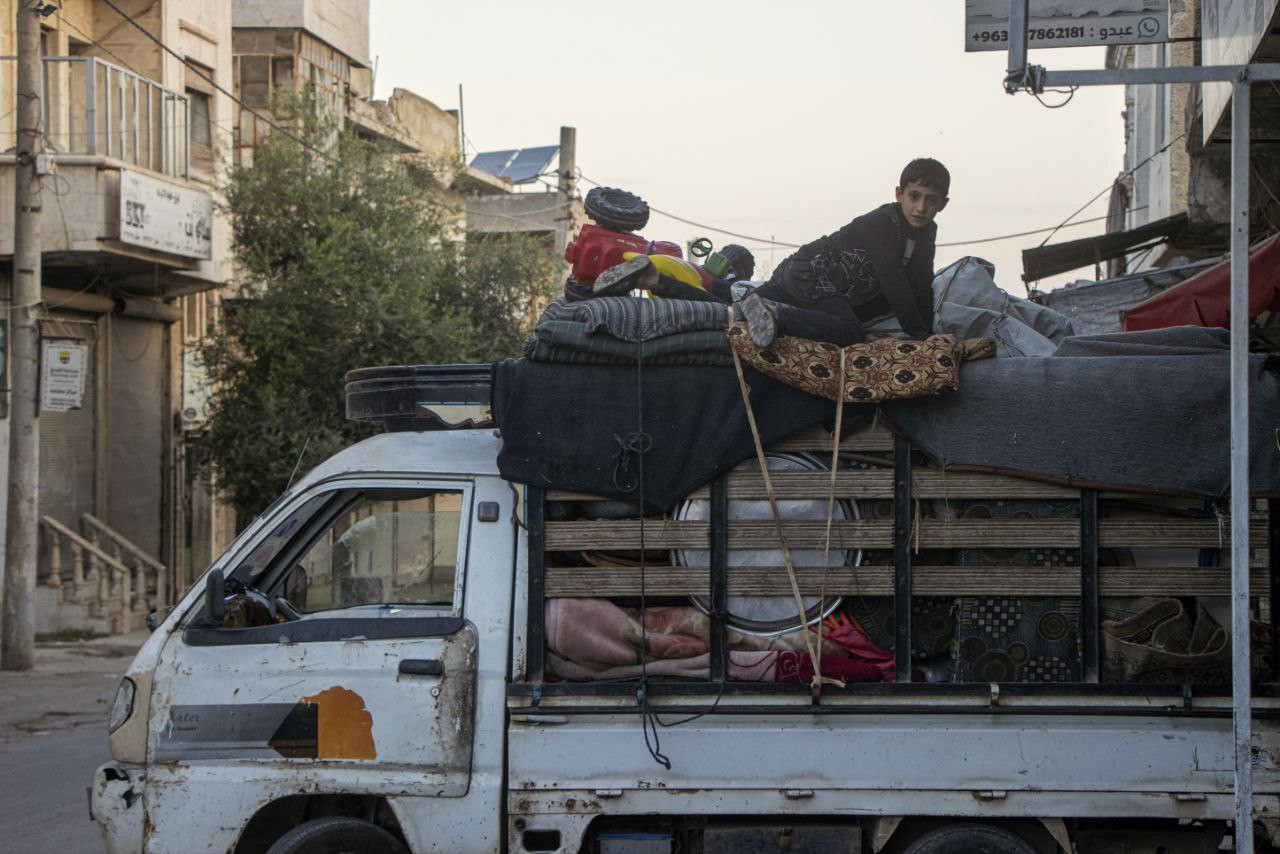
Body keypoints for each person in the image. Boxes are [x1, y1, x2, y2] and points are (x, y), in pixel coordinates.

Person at [741, 158, 953, 348]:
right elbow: (892, 277)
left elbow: (922, 285)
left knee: (739, 310)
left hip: (814, 282)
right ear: (899, 194)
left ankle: (745, 308)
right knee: (851, 331)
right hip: (813, 272)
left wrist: (928, 335)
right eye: (914, 196)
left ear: (943, 204)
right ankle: (776, 315)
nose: (920, 208)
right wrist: (920, 334)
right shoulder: (883, 221)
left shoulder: (927, 233)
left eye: (931, 200)